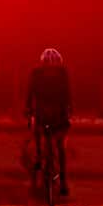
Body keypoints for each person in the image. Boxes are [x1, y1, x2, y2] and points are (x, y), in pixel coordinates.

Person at [25, 47, 72, 196]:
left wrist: (27, 109)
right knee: (60, 147)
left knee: (37, 129)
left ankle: (39, 157)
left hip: (44, 113)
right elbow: (68, 95)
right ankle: (63, 181)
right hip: (57, 114)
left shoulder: (36, 73)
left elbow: (30, 94)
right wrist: (69, 110)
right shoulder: (62, 74)